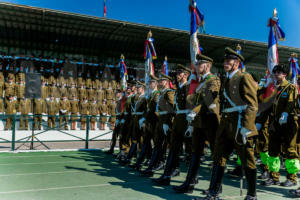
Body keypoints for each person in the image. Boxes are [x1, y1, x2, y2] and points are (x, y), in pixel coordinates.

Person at [201, 47, 258, 200]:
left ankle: (252, 194)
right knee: (218, 157)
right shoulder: (225, 79)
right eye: (225, 61)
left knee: (248, 160)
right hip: (226, 124)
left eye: (229, 61)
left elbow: (252, 104)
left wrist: (247, 126)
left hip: (240, 125)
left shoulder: (244, 77)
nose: (225, 63)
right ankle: (214, 192)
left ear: (237, 63)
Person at [174, 55, 220, 194]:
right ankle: (189, 182)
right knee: (195, 153)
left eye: (200, 64)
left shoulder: (213, 80)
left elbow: (207, 99)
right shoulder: (199, 81)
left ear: (207, 65)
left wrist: (193, 111)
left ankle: (216, 186)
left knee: (215, 155)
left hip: (211, 121)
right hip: (199, 122)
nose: (196, 66)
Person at [153, 64, 191, 186]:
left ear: (186, 75)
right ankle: (167, 175)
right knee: (173, 147)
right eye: (176, 73)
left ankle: (192, 178)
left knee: (190, 151)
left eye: (179, 73)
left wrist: (192, 124)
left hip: (187, 120)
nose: (177, 75)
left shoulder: (189, 87)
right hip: (178, 120)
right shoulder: (178, 88)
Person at [262, 64, 299, 187]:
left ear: (284, 74)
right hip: (275, 124)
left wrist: (285, 113)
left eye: (279, 72)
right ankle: (274, 177)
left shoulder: (290, 87)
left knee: (290, 150)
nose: (277, 74)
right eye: (275, 72)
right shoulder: (273, 88)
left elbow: (290, 102)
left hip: (288, 124)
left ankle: (292, 178)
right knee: (273, 150)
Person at [141, 73, 175, 177]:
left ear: (167, 82)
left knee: (170, 145)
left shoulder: (169, 92)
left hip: (166, 121)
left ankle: (172, 167)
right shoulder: (161, 93)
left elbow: (171, 108)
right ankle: (154, 165)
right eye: (159, 81)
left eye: (162, 81)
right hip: (160, 120)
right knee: (158, 143)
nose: (160, 82)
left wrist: (166, 122)